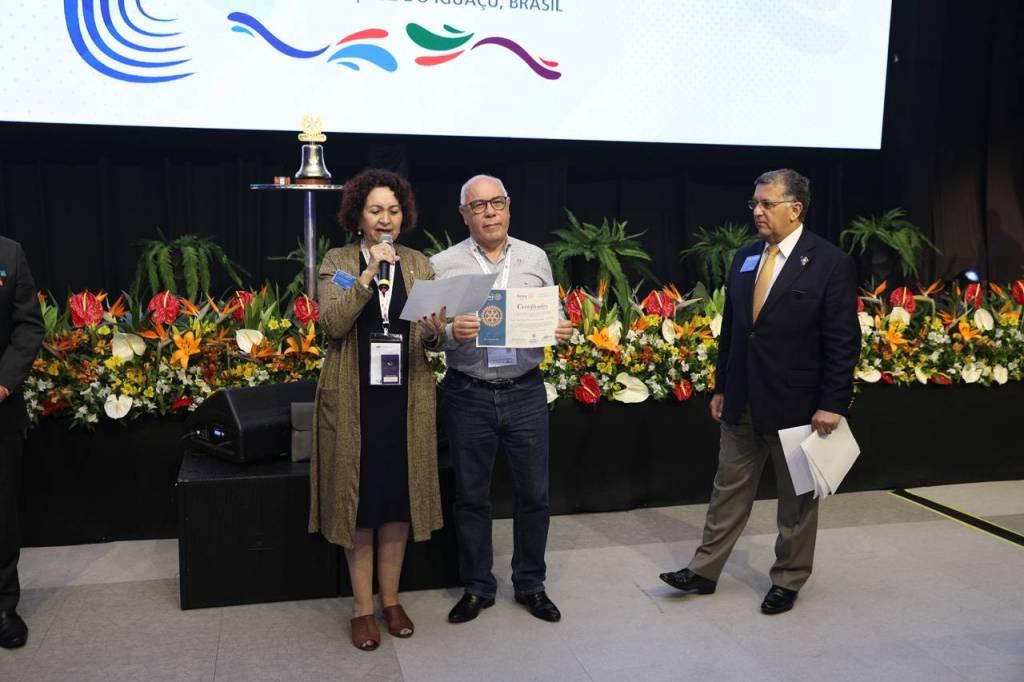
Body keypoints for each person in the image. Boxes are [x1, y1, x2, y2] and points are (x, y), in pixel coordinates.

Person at [659, 169, 860, 614]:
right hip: (743, 398)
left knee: (797, 502)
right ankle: (704, 570)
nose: (757, 211)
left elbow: (844, 341)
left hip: (799, 406)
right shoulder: (746, 257)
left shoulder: (830, 262)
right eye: (754, 203)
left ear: (796, 209)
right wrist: (722, 386)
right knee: (727, 490)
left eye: (767, 203)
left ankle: (788, 579)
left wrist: (832, 403)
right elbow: (734, 330)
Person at [308, 169, 447, 651]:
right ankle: (361, 608)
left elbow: (434, 339)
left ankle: (391, 600)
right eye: (375, 211)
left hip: (405, 399)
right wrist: (368, 273)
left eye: (393, 210)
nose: (385, 219)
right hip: (355, 399)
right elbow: (332, 323)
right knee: (360, 503)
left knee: (396, 502)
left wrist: (433, 332)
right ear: (358, 216)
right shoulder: (338, 261)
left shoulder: (419, 264)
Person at [431, 174, 572, 625]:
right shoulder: (443, 265)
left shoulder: (535, 257)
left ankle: (531, 583)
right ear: (464, 214)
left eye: (497, 203)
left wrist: (561, 328)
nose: (489, 212)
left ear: (508, 206)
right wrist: (450, 331)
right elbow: (427, 334)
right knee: (471, 496)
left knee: (534, 496)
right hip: (467, 392)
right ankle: (477, 586)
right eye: (478, 206)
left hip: (525, 390)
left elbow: (554, 313)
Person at [0, 236, 44, 649]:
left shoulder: (8, 254)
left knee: (2, 514)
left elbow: (28, 325)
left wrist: (3, 383)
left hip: (0, 410)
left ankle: (4, 608)